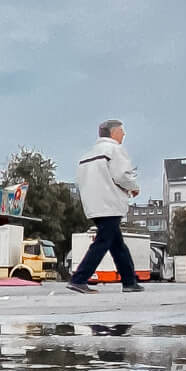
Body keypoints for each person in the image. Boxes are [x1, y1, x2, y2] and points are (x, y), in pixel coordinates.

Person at [70, 119, 141, 292]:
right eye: (122, 131)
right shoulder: (115, 150)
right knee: (103, 241)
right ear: (114, 132)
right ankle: (79, 279)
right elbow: (122, 175)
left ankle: (129, 281)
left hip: (93, 205)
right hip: (110, 203)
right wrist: (134, 188)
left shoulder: (86, 156)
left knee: (117, 244)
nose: (124, 134)